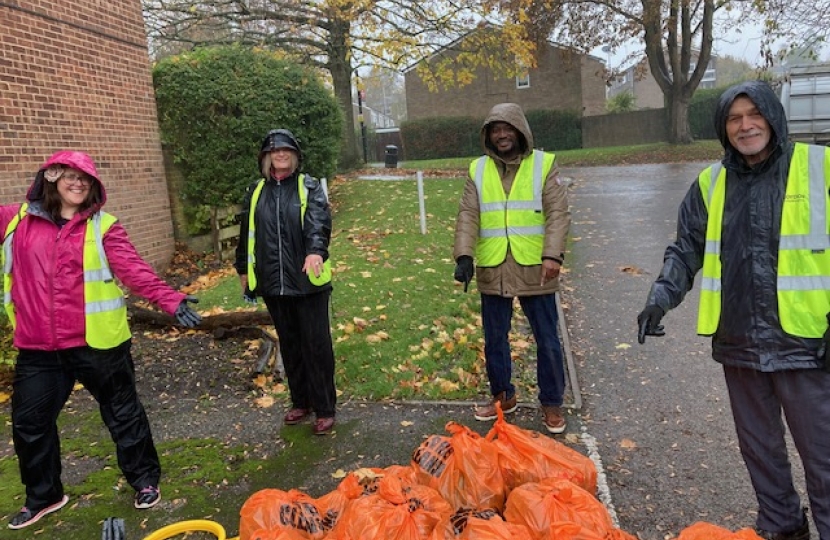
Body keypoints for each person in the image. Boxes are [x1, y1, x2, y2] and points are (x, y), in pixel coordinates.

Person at [637, 80, 830, 540]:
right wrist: (660, 298)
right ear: (724, 129)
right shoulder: (711, 183)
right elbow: (686, 250)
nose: (745, 126)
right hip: (740, 343)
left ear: (771, 116)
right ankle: (783, 528)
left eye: (753, 114)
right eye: (734, 119)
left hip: (807, 344)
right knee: (760, 451)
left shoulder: (819, 167)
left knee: (823, 454)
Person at [0, 150, 202, 530]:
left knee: (123, 414)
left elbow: (134, 270)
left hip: (98, 345)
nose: (79, 183)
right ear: (52, 177)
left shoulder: (102, 226)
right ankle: (44, 496)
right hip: (38, 347)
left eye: (86, 179)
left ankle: (144, 480)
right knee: (30, 424)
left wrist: (170, 300)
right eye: (71, 176)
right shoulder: (14, 220)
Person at [453, 103, 571, 434]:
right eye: (495, 129)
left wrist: (553, 255)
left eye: (507, 128)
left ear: (520, 130)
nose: (502, 135)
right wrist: (464, 255)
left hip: (536, 265)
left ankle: (552, 402)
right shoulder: (477, 169)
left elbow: (558, 213)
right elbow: (468, 213)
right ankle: (503, 395)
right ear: (488, 135)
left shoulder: (544, 165)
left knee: (547, 338)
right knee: (494, 339)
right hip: (493, 264)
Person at [234, 129, 337, 436]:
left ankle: (325, 407)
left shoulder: (309, 187)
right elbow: (246, 234)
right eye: (273, 150)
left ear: (294, 155)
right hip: (273, 283)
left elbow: (319, 222)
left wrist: (315, 251)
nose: (279, 154)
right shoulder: (256, 192)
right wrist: (242, 269)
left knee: (315, 345)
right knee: (290, 345)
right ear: (265, 157)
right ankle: (301, 401)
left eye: (285, 150)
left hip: (307, 282)